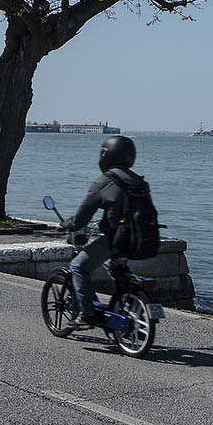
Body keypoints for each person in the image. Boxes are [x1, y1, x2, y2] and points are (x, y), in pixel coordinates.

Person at [60, 135, 146, 329]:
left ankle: (86, 315)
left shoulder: (103, 181)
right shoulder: (138, 181)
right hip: (141, 238)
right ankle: (122, 305)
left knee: (78, 267)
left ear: (106, 155)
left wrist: (66, 225)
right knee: (118, 270)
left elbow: (82, 218)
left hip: (116, 239)